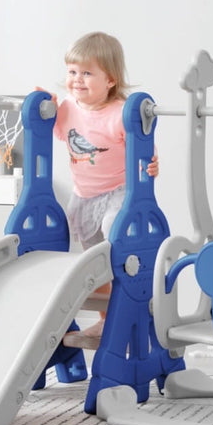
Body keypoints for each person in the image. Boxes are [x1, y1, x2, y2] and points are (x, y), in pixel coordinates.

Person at [44, 32, 158, 348]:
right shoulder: (68, 108)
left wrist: (151, 165)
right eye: (72, 72)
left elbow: (144, 146)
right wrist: (46, 108)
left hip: (118, 191)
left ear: (110, 79)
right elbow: (50, 129)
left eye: (87, 73)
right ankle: (106, 320)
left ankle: (136, 303)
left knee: (114, 233)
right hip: (83, 195)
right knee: (94, 259)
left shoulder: (121, 113)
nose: (77, 80)